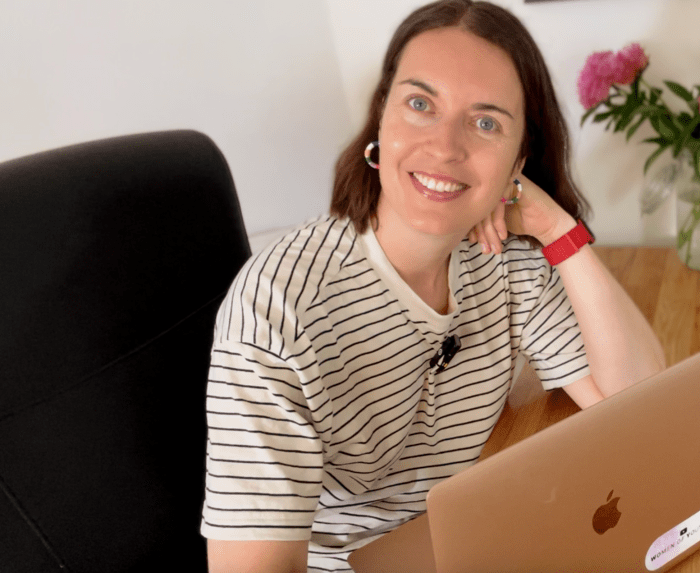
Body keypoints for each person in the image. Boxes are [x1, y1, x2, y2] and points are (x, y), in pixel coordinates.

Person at [201, 1, 666, 571]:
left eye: (486, 121)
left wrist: (557, 229)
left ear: (518, 160)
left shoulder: (507, 260)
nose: (446, 146)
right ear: (380, 123)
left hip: (471, 539)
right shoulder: (276, 310)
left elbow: (642, 410)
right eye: (421, 104)